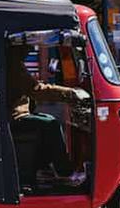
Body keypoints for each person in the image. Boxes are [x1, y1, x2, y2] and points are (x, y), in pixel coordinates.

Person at [6, 44, 87, 187]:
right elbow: (36, 90)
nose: (29, 49)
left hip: (15, 115)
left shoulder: (11, 62)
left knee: (46, 120)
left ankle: (43, 169)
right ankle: (65, 173)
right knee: (51, 124)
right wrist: (70, 93)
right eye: (27, 46)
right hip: (14, 117)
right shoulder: (12, 65)